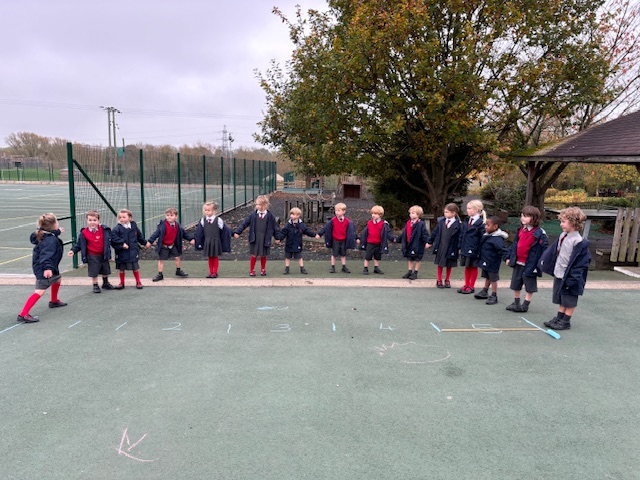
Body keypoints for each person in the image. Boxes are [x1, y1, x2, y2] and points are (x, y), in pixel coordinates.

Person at [539, 207, 591, 330]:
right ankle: (559, 317)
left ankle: (566, 321)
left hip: (572, 276)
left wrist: (574, 277)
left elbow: (581, 263)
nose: (561, 224)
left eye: (564, 221)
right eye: (561, 221)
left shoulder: (578, 241)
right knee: (561, 296)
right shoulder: (563, 235)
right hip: (560, 273)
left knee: (569, 298)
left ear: (573, 222)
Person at [17, 213, 67, 323]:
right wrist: (47, 268)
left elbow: (50, 235)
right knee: (40, 291)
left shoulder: (43, 234)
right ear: (54, 224)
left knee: (57, 278)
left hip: (49, 265)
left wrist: (57, 232)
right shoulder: (50, 241)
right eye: (57, 222)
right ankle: (23, 314)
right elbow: (46, 255)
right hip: (44, 267)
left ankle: (53, 301)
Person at [505, 205, 548, 312]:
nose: (523, 218)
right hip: (518, 262)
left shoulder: (539, 233)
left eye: (526, 216)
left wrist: (540, 264)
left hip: (530, 264)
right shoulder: (520, 230)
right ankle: (516, 302)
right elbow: (515, 245)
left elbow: (544, 249)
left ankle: (525, 304)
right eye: (522, 215)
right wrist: (509, 257)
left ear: (534, 218)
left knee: (530, 285)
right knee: (516, 283)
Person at [67, 210, 115, 293]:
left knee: (105, 269)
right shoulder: (84, 233)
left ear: (99, 221)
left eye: (94, 220)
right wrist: (73, 251)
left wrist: (121, 245)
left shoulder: (104, 230)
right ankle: (95, 285)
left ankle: (105, 283)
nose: (92, 222)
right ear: (87, 220)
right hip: (92, 255)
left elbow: (111, 240)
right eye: (90, 220)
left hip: (103, 253)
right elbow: (79, 244)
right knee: (94, 271)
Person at [234, 195, 280, 277]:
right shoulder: (253, 215)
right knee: (254, 254)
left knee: (263, 254)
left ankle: (263, 269)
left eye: (258, 204)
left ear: (264, 205)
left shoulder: (270, 216)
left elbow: (275, 227)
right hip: (255, 238)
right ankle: (252, 270)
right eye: (256, 204)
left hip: (265, 238)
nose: (256, 206)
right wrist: (238, 232)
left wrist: (277, 237)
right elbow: (245, 223)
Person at [146, 207, 195, 281]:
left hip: (172, 245)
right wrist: (150, 241)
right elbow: (156, 234)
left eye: (171, 215)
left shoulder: (177, 226)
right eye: (167, 215)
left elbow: (184, 233)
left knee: (177, 257)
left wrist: (191, 239)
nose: (169, 217)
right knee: (161, 260)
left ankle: (178, 271)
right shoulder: (163, 225)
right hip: (163, 246)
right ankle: (160, 274)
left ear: (176, 217)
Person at [473, 216, 509, 305]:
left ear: (495, 227)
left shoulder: (497, 239)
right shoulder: (487, 235)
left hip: (493, 262)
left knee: (493, 279)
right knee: (487, 277)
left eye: (488, 225)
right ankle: (485, 291)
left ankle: (494, 295)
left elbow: (502, 250)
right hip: (486, 261)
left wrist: (506, 258)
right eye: (485, 225)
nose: (485, 227)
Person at [194, 201, 232, 278]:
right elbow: (199, 232)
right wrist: (195, 240)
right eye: (205, 210)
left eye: (209, 210)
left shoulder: (218, 220)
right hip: (207, 241)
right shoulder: (203, 220)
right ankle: (210, 272)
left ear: (214, 211)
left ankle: (215, 272)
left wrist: (233, 233)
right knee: (209, 257)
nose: (207, 212)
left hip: (215, 241)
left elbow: (225, 230)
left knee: (215, 256)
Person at [111, 208, 147, 290]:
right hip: (122, 252)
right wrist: (122, 244)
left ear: (130, 218)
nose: (122, 219)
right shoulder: (117, 228)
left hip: (133, 251)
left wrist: (144, 243)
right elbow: (113, 238)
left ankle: (138, 281)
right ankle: (121, 283)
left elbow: (139, 236)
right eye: (120, 217)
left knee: (135, 267)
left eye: (124, 217)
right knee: (121, 268)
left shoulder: (133, 226)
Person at [316, 202, 357, 273]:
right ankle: (333, 267)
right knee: (334, 254)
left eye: (339, 210)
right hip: (335, 240)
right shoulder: (333, 220)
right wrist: (319, 234)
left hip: (343, 240)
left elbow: (352, 231)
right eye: (336, 211)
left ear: (344, 211)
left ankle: (344, 267)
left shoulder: (347, 221)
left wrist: (357, 238)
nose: (337, 212)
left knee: (343, 254)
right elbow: (325, 228)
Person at [426, 203, 461, 288]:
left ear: (454, 213)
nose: (445, 214)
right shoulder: (441, 222)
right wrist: (429, 242)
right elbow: (434, 232)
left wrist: (460, 247)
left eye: (447, 212)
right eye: (444, 212)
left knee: (449, 264)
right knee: (440, 263)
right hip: (441, 246)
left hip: (452, 247)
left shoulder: (458, 225)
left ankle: (447, 280)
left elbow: (461, 237)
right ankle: (439, 279)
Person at [458, 199, 486, 294]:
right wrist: (460, 246)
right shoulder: (467, 220)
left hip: (475, 249)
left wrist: (480, 250)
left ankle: (471, 286)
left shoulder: (481, 223)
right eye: (467, 208)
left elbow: (482, 238)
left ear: (476, 210)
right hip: (465, 247)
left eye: (470, 208)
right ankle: (466, 284)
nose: (468, 210)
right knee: (467, 266)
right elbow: (462, 234)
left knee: (473, 267)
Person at [396, 205, 430, 280]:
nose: (410, 214)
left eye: (413, 213)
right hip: (409, 243)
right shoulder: (408, 223)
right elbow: (404, 233)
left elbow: (424, 234)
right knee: (410, 258)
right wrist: (397, 239)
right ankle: (409, 271)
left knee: (417, 258)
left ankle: (415, 272)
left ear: (418, 215)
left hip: (418, 244)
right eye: (410, 213)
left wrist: (427, 242)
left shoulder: (421, 224)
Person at [358, 205, 394, 274]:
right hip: (370, 243)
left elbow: (387, 233)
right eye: (372, 213)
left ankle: (376, 268)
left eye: (375, 214)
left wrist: (393, 239)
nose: (373, 215)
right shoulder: (369, 223)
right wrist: (360, 239)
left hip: (378, 243)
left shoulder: (383, 224)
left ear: (380, 215)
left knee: (377, 257)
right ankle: (365, 268)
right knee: (367, 256)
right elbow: (365, 233)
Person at [280, 207, 315, 274]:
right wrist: (279, 239)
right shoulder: (288, 225)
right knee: (287, 257)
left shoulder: (301, 225)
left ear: (298, 215)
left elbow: (307, 231)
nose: (292, 216)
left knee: (299, 257)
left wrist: (314, 235)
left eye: (293, 214)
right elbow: (283, 233)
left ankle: (302, 268)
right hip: (289, 244)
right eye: (291, 214)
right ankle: (287, 268)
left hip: (297, 244)